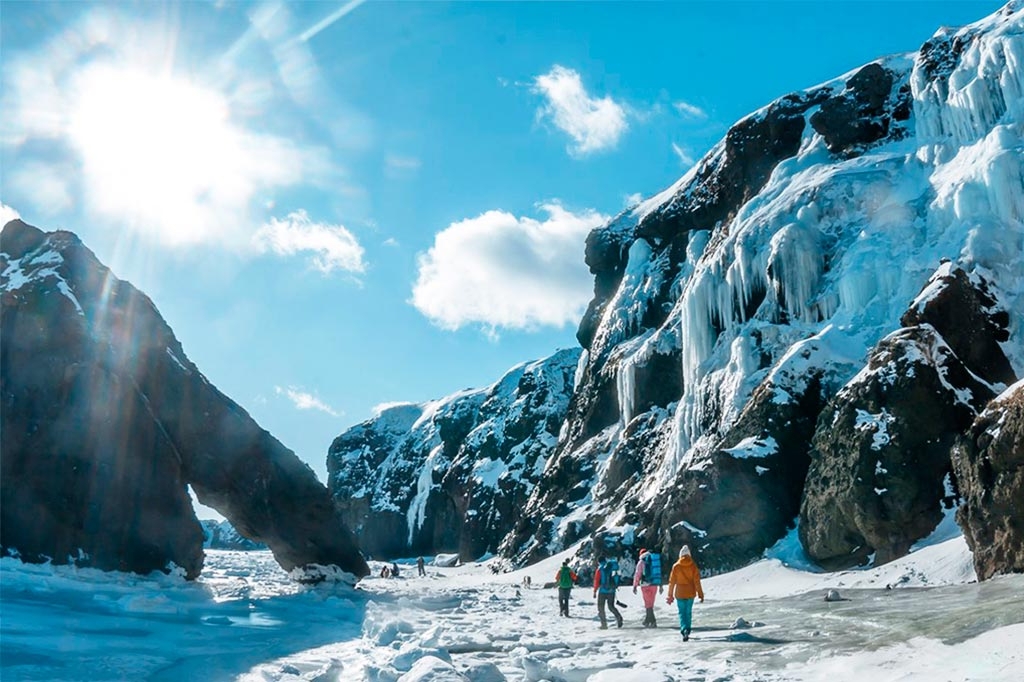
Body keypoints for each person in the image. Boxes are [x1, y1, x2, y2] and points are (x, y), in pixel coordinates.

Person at [666, 545, 703, 641]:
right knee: (688, 612)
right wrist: (700, 594)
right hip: (690, 593)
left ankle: (684, 629)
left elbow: (672, 582)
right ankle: (688, 628)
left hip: (680, 593)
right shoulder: (693, 565)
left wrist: (670, 595)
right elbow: (697, 581)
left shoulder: (676, 566)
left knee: (682, 613)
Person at [632, 548, 664, 628]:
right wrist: (660, 585)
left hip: (645, 585)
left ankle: (653, 622)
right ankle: (647, 621)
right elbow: (658, 573)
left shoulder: (641, 562)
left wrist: (635, 585)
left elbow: (637, 574)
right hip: (654, 584)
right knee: (651, 604)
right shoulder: (654, 561)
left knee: (648, 604)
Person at [593, 557, 623, 629]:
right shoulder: (612, 567)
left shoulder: (600, 569)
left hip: (602, 591)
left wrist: (594, 591)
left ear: (599, 562)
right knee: (611, 606)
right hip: (611, 591)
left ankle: (604, 625)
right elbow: (618, 575)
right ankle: (619, 617)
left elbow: (596, 581)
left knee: (601, 608)